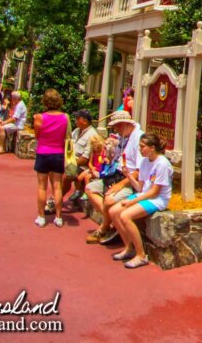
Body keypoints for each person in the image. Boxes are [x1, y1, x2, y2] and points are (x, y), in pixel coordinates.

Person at [108, 133, 173, 269]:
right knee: (114, 211)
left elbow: (154, 192)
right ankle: (128, 247)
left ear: (152, 147)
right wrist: (129, 176)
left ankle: (141, 255)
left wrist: (131, 202)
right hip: (145, 194)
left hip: (157, 200)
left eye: (142, 146)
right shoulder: (144, 162)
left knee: (125, 216)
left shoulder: (162, 164)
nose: (140, 149)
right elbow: (140, 187)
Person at [86, 110, 143, 245]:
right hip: (115, 175)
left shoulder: (139, 139)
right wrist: (109, 154)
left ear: (123, 124)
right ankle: (112, 224)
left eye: (117, 126)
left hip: (129, 181)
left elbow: (139, 171)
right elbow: (116, 160)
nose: (115, 130)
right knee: (90, 188)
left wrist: (120, 185)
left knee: (109, 201)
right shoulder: (122, 137)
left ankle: (104, 228)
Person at [33, 89, 69, 228]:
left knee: (42, 186)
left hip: (43, 152)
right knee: (57, 186)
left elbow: (37, 135)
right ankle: (59, 217)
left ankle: (42, 217)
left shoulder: (39, 117)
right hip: (58, 153)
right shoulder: (65, 117)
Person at [63, 110, 96, 206]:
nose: (75, 120)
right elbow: (68, 145)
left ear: (85, 121)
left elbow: (85, 159)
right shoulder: (76, 131)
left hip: (82, 166)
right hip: (70, 160)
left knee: (66, 175)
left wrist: (69, 164)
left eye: (78, 118)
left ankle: (56, 200)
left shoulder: (92, 135)